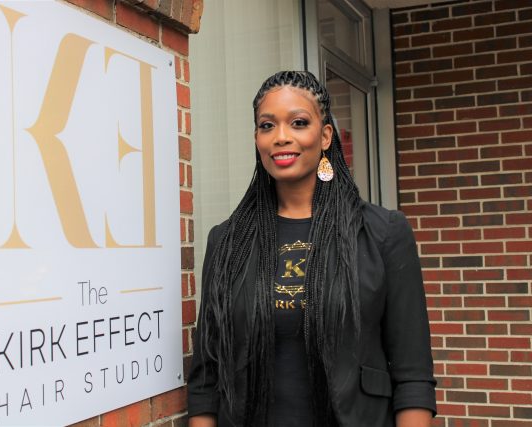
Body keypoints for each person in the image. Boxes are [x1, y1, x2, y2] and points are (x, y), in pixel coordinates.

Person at [187, 71, 436, 427]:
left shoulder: (383, 233)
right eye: (267, 126)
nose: (281, 137)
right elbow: (205, 379)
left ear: (325, 136)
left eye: (298, 123)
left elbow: (413, 376)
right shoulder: (227, 241)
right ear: (257, 139)